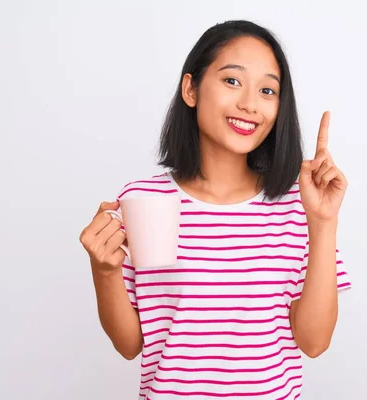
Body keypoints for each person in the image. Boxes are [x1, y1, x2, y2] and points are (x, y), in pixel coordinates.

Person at [79, 19, 352, 400]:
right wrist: (105, 270)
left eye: (268, 90)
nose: (250, 104)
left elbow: (314, 342)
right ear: (191, 88)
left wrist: (323, 222)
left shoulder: (297, 203)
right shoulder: (144, 200)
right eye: (232, 81)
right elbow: (130, 345)